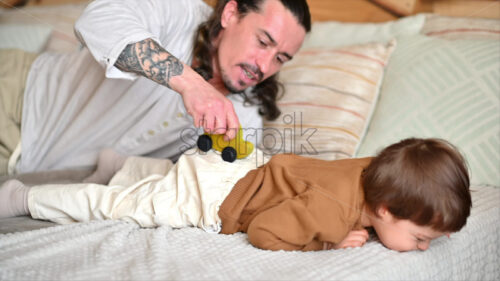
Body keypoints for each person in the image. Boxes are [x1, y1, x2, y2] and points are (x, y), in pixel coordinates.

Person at [0, 0, 311, 176]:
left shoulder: (246, 113)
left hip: (42, 171)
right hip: (15, 95)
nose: (265, 66)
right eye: (263, 42)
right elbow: (98, 19)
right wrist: (192, 84)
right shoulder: (178, 12)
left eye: (280, 58)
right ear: (230, 14)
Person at [0, 137, 472, 252]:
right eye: (420, 237)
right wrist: (325, 242)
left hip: (249, 165)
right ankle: (24, 197)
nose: (423, 247)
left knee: (167, 176)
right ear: (386, 209)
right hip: (214, 198)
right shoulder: (332, 216)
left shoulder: (374, 169)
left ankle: (121, 167)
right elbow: (265, 232)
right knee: (121, 206)